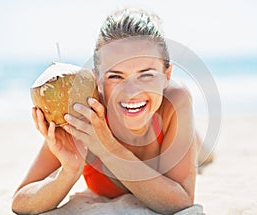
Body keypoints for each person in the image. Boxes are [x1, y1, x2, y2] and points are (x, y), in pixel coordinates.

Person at [12, 8, 203, 214]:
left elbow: (181, 202)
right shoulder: (84, 114)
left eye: (146, 75)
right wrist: (68, 173)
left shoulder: (175, 100)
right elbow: (21, 203)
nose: (131, 93)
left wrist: (106, 148)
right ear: (97, 80)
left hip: (176, 131)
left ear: (167, 74)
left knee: (202, 153)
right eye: (115, 77)